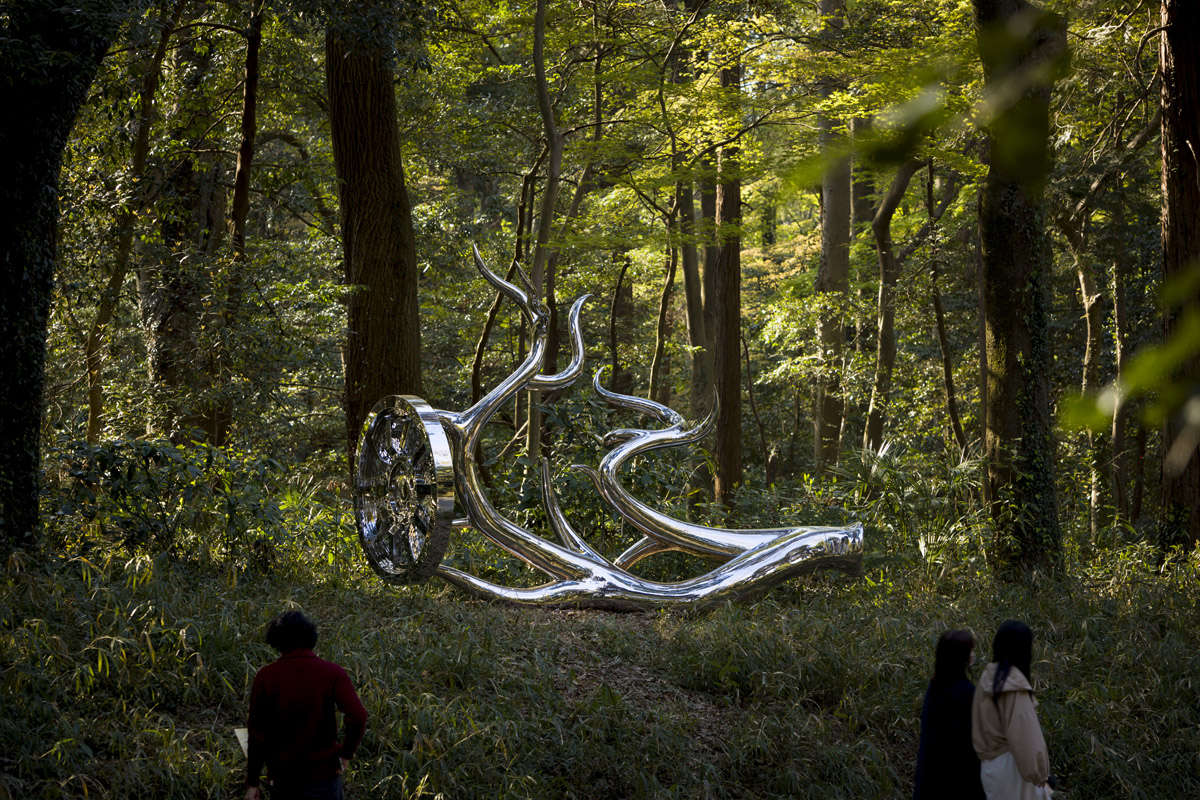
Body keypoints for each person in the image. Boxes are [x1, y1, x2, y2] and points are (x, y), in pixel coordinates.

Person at [245, 611, 369, 800]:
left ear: (276, 641)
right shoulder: (333, 673)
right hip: (324, 776)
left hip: (283, 778)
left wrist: (253, 783)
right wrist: (346, 754)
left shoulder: (266, 676)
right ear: (310, 637)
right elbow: (358, 716)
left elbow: (256, 735)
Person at [971, 620, 1052, 799]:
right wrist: (1039, 773)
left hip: (990, 767)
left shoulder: (988, 678)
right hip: (1013, 767)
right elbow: (1025, 733)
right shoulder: (1012, 685)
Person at [913, 629, 986, 800]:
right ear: (963, 657)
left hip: (931, 777)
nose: (973, 655)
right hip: (960, 782)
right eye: (971, 650)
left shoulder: (935, 688)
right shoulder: (967, 694)